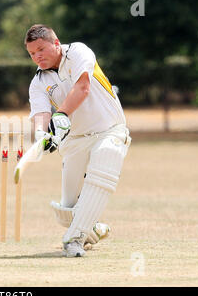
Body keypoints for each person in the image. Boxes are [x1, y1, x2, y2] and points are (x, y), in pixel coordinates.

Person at [24, 24, 131, 257]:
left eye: (41, 49)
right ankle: (92, 227)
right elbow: (41, 115)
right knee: (67, 212)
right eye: (32, 53)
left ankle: (74, 240)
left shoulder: (78, 52)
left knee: (105, 163)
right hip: (74, 141)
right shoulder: (38, 82)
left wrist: (61, 115)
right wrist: (43, 136)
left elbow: (82, 87)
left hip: (109, 129)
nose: (37, 56)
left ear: (55, 43)